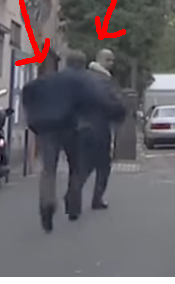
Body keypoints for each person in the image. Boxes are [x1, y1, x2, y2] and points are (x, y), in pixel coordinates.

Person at [22, 50, 126, 232]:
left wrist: (32, 112)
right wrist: (119, 111)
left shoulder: (51, 78)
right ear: (83, 64)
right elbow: (101, 99)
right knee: (76, 166)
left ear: (67, 63)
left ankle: (47, 203)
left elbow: (28, 90)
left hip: (46, 128)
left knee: (48, 169)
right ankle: (73, 207)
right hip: (70, 127)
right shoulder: (85, 80)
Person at [83, 48, 121, 210]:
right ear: (100, 60)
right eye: (108, 60)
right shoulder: (104, 80)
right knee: (103, 165)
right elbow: (112, 102)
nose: (111, 63)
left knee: (86, 163)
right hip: (101, 125)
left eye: (112, 60)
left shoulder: (85, 77)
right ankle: (97, 198)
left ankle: (74, 193)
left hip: (83, 126)